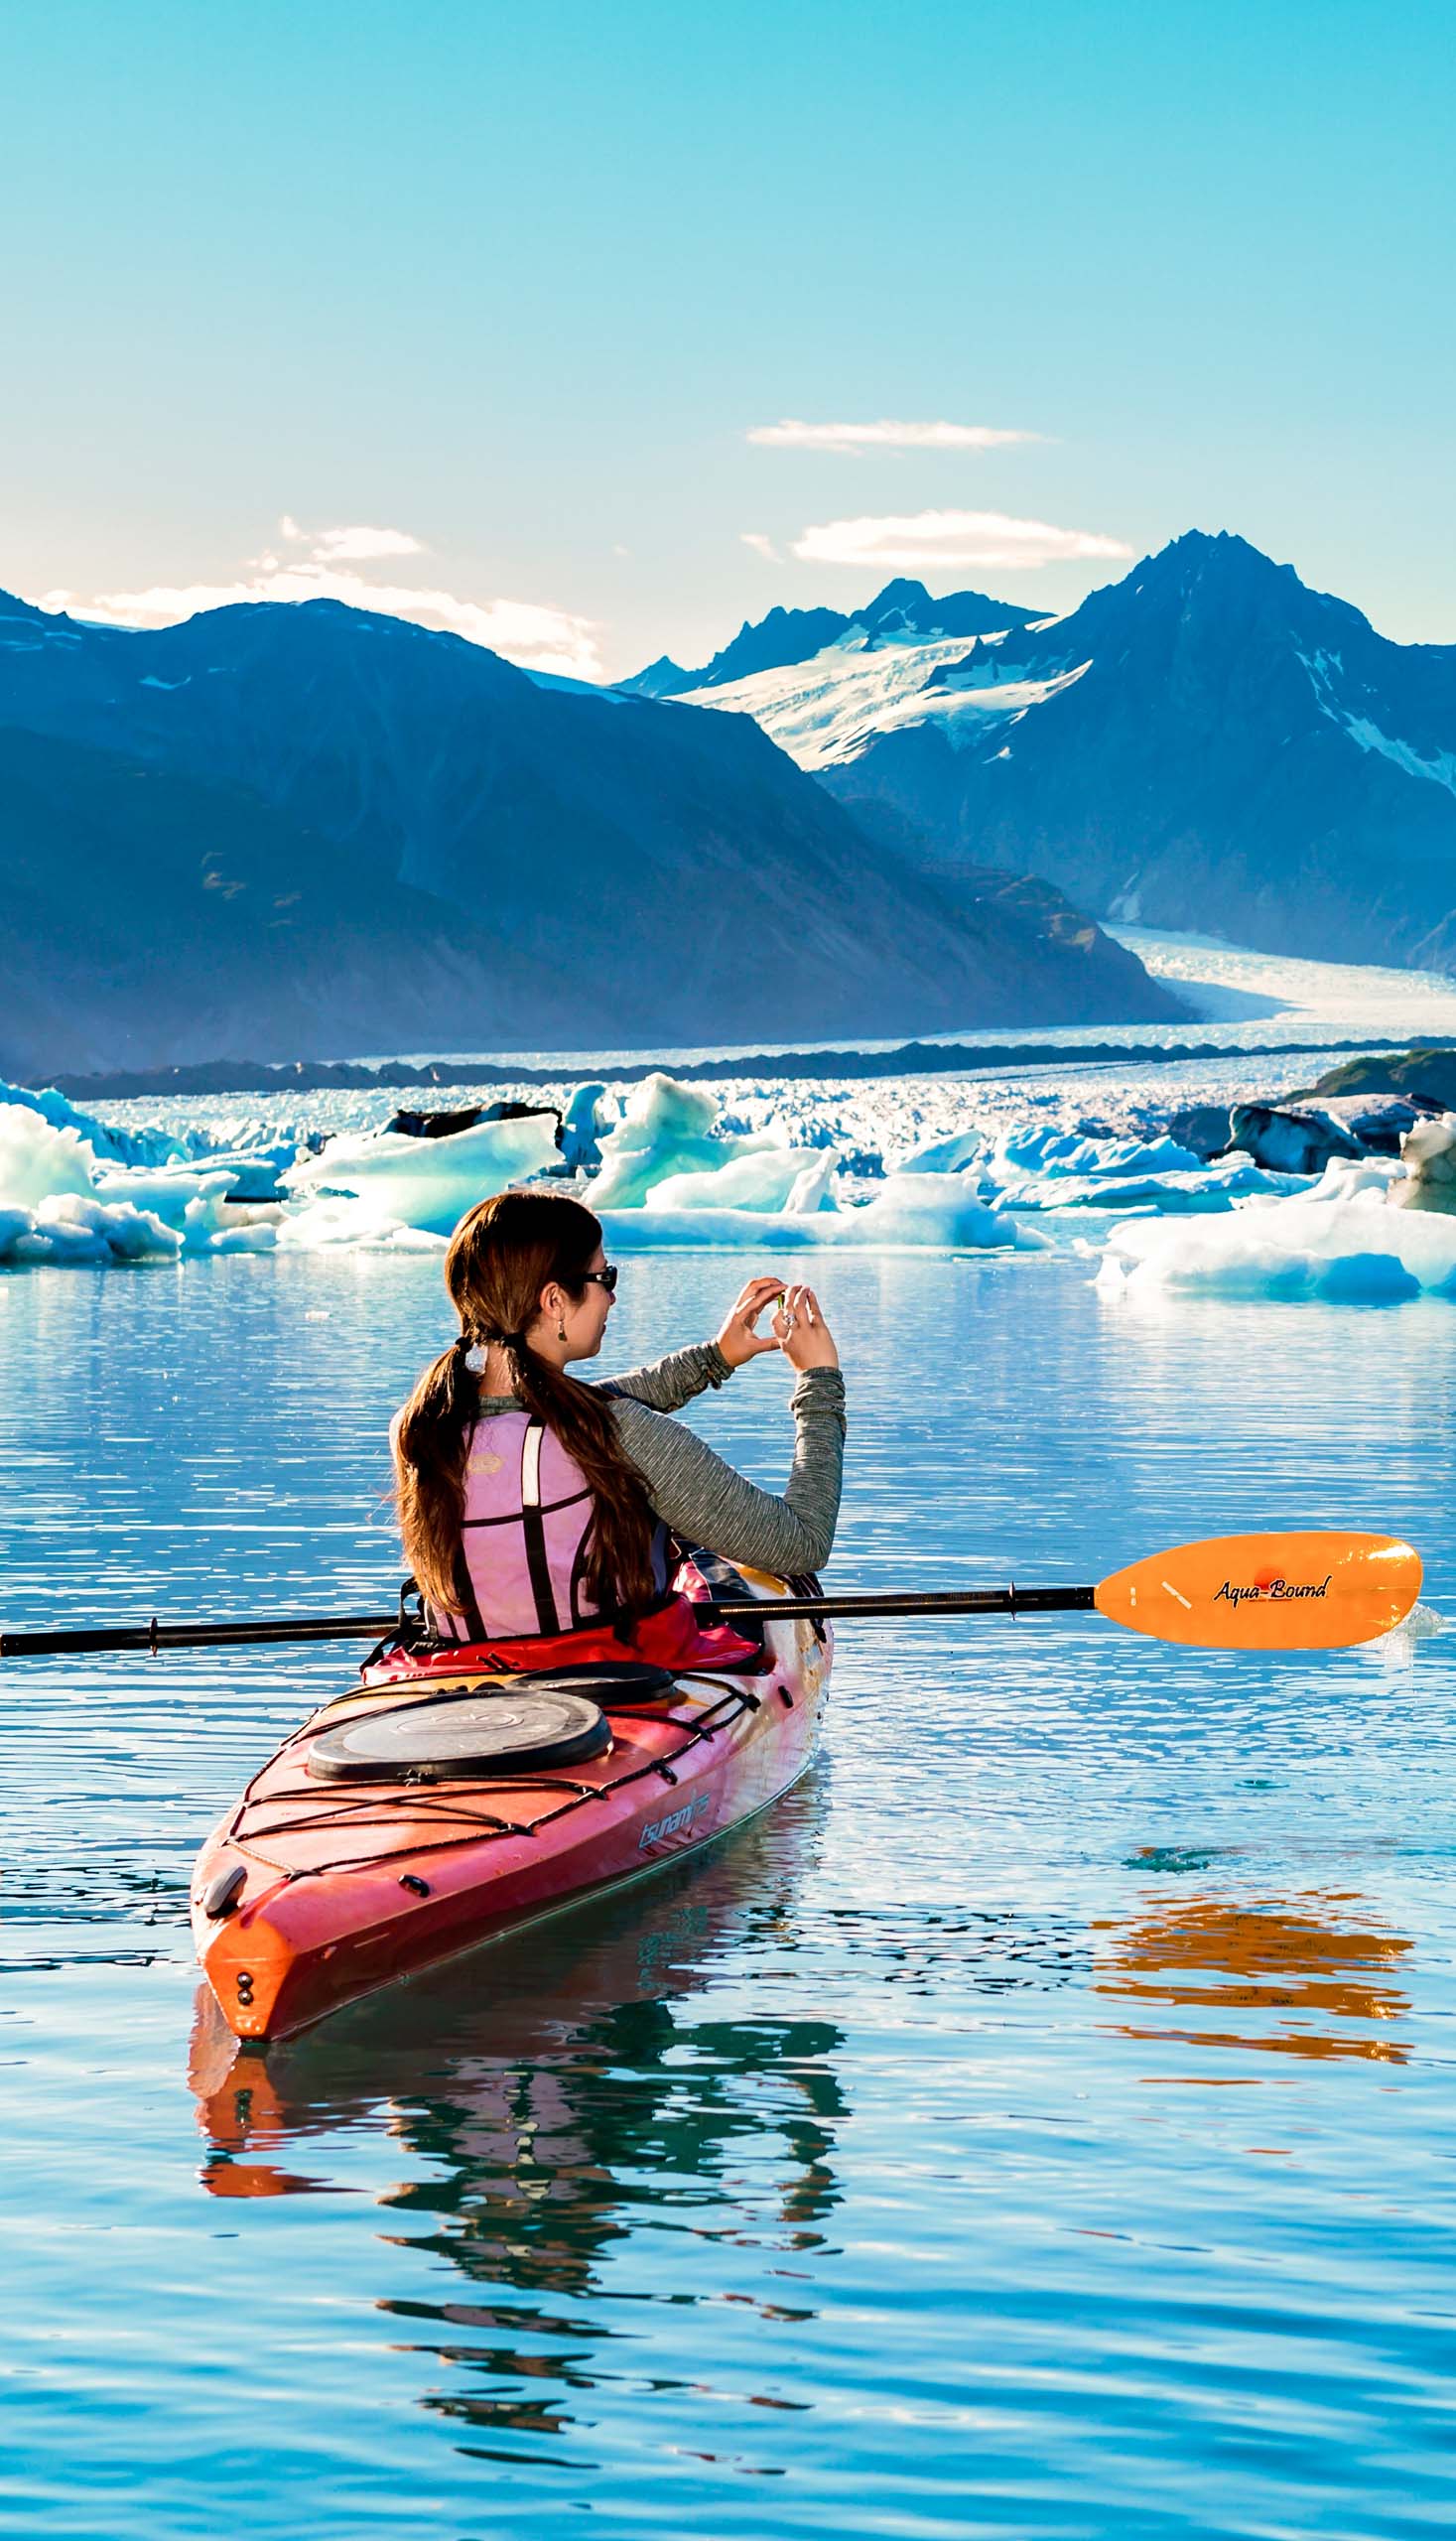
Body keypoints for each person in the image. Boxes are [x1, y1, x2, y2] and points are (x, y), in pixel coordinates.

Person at [392, 1187, 845, 1655]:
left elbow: (558, 1412)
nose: (611, 1297)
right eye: (603, 1277)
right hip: (609, 1682)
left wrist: (715, 1358)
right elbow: (802, 1543)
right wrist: (819, 1382)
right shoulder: (617, 1432)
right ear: (554, 1301)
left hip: (462, 1679)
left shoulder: (422, 1426)